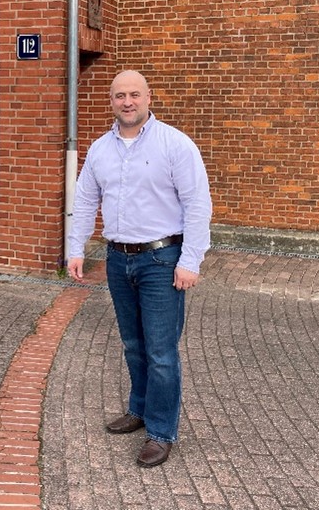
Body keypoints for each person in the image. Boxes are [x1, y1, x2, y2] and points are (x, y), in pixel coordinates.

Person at [67, 69, 212, 468]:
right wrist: (75, 249)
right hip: (118, 259)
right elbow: (84, 202)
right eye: (119, 96)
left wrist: (190, 261)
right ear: (111, 101)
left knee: (162, 353)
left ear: (149, 98)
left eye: (134, 94)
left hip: (161, 261)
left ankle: (161, 431)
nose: (127, 102)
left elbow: (197, 205)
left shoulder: (175, 145)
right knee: (133, 345)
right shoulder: (99, 149)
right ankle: (139, 409)